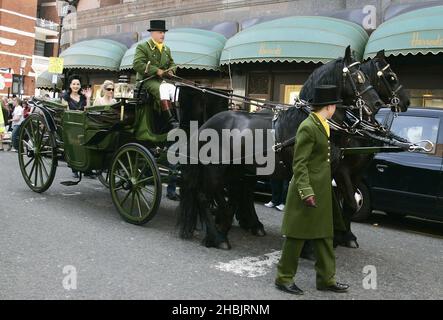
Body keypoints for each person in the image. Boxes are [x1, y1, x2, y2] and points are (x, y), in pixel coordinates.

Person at [275, 85, 349, 295]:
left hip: (322, 190)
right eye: (335, 105)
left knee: (325, 235)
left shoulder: (322, 123)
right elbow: (299, 163)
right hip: (306, 190)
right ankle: (283, 278)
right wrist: (306, 191)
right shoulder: (308, 126)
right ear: (330, 106)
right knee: (296, 236)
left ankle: (326, 279)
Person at [133, 19, 178, 131]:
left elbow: (172, 63)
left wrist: (172, 71)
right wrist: (156, 70)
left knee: (175, 90)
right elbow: (137, 64)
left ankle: (179, 117)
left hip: (162, 80)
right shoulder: (143, 47)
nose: (162, 35)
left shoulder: (166, 49)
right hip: (147, 80)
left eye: (164, 32)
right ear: (152, 33)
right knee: (163, 89)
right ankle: (170, 121)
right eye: (160, 32)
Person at [62, 75, 93, 179]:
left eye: (78, 84)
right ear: (70, 85)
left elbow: (87, 110)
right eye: (74, 84)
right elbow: (66, 112)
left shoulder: (83, 97)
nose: (76, 86)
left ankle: (87, 168)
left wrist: (88, 98)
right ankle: (74, 168)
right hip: (71, 124)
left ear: (80, 86)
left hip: (83, 124)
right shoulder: (65, 97)